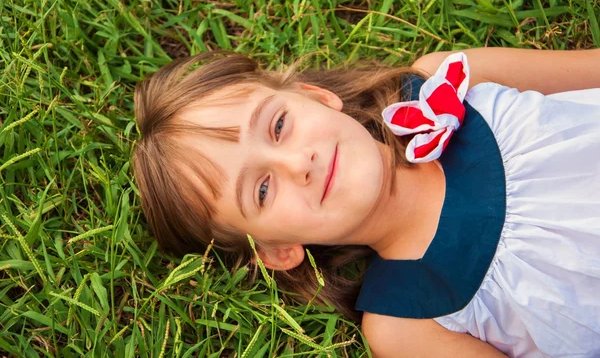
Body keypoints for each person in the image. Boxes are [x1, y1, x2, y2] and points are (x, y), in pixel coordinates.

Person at [131, 47, 600, 358]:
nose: (300, 163)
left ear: (315, 96)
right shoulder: (404, 323)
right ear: (276, 250)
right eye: (262, 190)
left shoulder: (446, 82)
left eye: (278, 126)